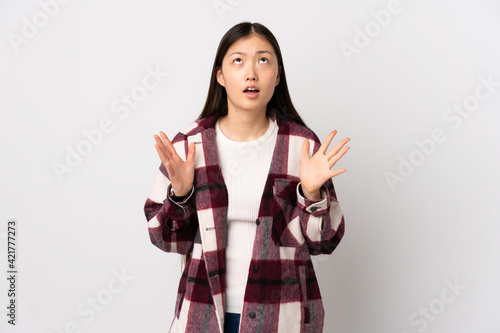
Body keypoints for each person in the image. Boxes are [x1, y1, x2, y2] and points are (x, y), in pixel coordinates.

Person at [144, 21, 350, 333]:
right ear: (220, 75)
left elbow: (325, 242)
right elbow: (166, 240)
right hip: (204, 317)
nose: (251, 72)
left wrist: (310, 194)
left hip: (283, 319)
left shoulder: (302, 147)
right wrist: (182, 195)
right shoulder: (189, 146)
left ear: (277, 76)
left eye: (263, 60)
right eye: (238, 60)